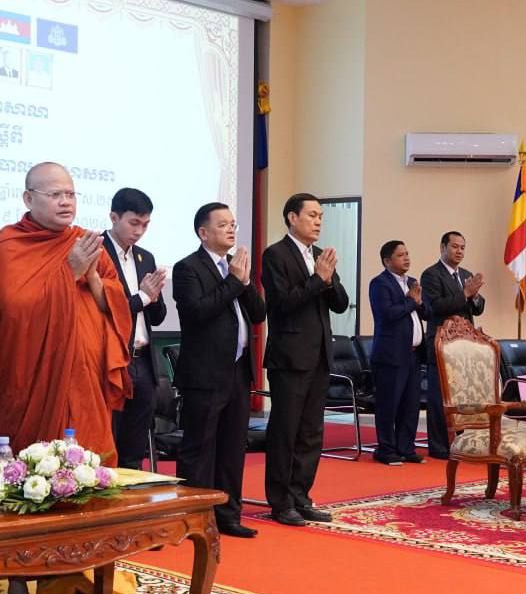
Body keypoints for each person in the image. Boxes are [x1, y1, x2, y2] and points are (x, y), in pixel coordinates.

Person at [0, 162, 133, 594]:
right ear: (28, 199)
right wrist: (67, 273)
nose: (66, 201)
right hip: (31, 382)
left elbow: (116, 305)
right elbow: (14, 308)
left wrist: (91, 277)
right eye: (55, 194)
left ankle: (83, 586)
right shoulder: (10, 245)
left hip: (83, 384)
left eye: (70, 193)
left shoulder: (87, 242)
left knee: (87, 478)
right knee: (24, 482)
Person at [172, 202, 267, 538]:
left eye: (233, 224)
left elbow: (258, 313)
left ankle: (228, 516)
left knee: (232, 447)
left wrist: (244, 281)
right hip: (205, 373)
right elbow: (198, 312)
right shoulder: (187, 268)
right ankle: (193, 519)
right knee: (199, 448)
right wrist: (234, 281)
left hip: (238, 372)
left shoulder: (235, 268)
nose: (231, 229)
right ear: (203, 232)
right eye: (223, 224)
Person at [261, 193, 349, 526]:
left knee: (311, 433)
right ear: (291, 217)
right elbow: (282, 304)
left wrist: (327, 279)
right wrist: (317, 280)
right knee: (286, 431)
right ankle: (280, 502)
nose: (318, 222)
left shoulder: (320, 255)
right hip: (289, 358)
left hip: (319, 356)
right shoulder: (276, 255)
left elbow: (340, 303)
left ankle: (301, 496)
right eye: (312, 215)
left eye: (320, 216)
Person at [103, 188, 168, 469]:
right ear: (114, 217)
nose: (139, 231)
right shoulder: (97, 252)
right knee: (107, 444)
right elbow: (106, 310)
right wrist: (142, 297)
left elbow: (158, 317)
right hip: (111, 360)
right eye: (134, 223)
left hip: (143, 361)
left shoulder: (145, 258)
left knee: (134, 447)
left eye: (145, 225)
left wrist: (153, 297)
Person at [420, 231, 485, 459]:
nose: (459, 251)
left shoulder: (466, 275)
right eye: (455, 246)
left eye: (462, 248)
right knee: (439, 398)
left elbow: (477, 308)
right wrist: (465, 293)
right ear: (443, 247)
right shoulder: (431, 275)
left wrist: (474, 297)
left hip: (465, 346)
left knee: (463, 397)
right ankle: (439, 447)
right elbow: (435, 307)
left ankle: (463, 443)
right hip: (441, 344)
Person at [369, 240, 431, 466]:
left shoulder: (413, 282)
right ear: (387, 261)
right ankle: (386, 450)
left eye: (407, 254)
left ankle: (406, 448)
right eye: (401, 255)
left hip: (413, 355)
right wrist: (411, 301)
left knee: (410, 405)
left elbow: (427, 312)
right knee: (389, 404)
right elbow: (387, 314)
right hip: (391, 356)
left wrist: (419, 302)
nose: (406, 258)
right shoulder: (379, 284)